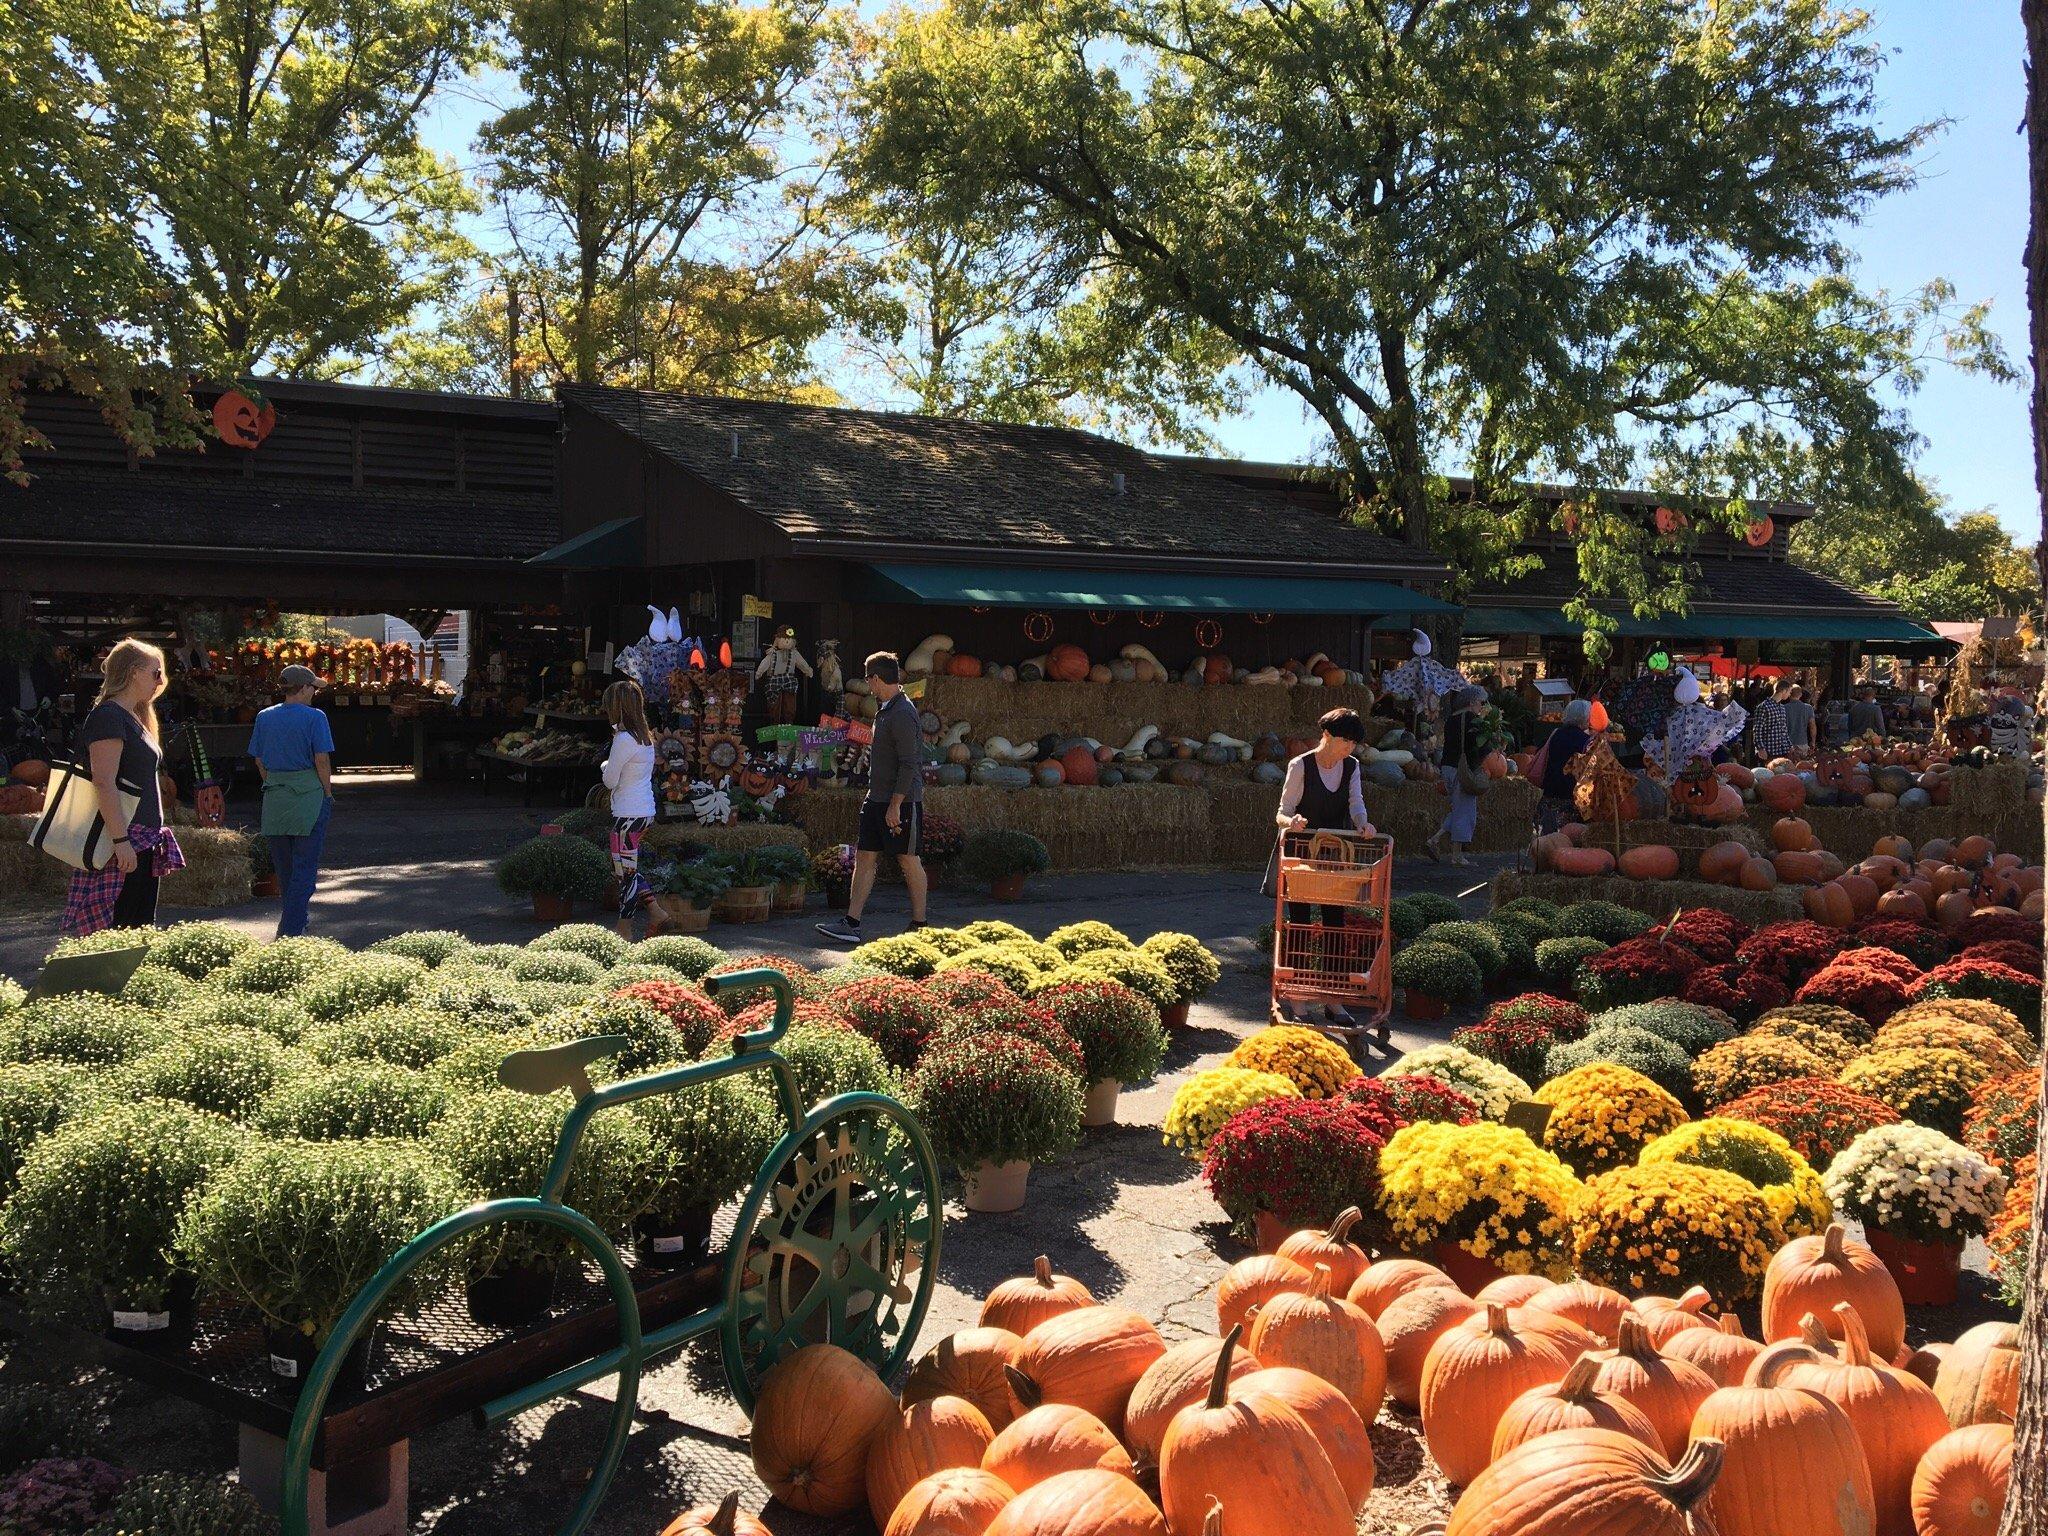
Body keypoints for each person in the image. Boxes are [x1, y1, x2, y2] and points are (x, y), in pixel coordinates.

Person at [62, 637, 184, 936]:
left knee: (138, 932)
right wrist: (120, 841)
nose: (161, 680)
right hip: (124, 841)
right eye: (155, 672)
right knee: (120, 932)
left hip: (141, 840)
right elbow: (103, 782)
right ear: (132, 673)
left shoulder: (132, 716)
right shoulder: (108, 716)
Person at [1273, 708, 1377, 1026]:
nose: (1350, 749)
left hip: (1335, 854)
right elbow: (1282, 812)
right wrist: (1293, 822)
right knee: (1300, 922)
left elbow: (1355, 803)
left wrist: (1363, 823)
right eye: (1346, 742)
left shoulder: (1352, 766)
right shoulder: (1300, 765)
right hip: (1302, 854)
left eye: (1354, 744)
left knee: (1335, 923)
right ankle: (1298, 998)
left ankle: (1333, 1000)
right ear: (1328, 736)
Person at [818, 651, 925, 943]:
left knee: (908, 859)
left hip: (900, 800)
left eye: (868, 679)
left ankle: (920, 924)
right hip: (875, 797)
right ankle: (851, 922)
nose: (868, 685)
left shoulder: (903, 713)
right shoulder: (885, 709)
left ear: (876, 679)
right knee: (865, 856)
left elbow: (909, 764)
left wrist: (895, 805)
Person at [249, 664, 336, 937]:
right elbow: (321, 759)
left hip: (275, 798)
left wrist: (271, 782)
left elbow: (259, 759)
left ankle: (294, 925)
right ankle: (291, 931)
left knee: (285, 872)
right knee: (305, 871)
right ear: (304, 688)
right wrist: (328, 792)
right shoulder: (315, 717)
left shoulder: (264, 717)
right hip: (308, 797)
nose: (315, 692)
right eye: (313, 687)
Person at [600, 680, 658, 938]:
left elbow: (610, 780)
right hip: (644, 811)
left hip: (627, 814)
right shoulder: (645, 737)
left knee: (625, 874)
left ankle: (625, 928)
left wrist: (604, 766)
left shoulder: (624, 739)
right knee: (627, 870)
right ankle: (657, 913)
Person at [1426, 686, 1489, 866]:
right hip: (1463, 769)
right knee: (1465, 811)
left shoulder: (1451, 719)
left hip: (1447, 766)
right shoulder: (1472, 719)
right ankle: (1457, 855)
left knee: (1458, 808)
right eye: (1480, 702)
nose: (1481, 706)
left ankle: (1435, 840)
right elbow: (1478, 746)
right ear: (1471, 702)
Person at [1530, 698, 1594, 834]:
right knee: (1568, 837)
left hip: (1551, 791)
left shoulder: (1556, 734)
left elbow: (1539, 752)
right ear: (1585, 717)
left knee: (1548, 836)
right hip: (1572, 796)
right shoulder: (1586, 741)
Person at [1749, 682, 1791, 762]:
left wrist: (1789, 746)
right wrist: (1760, 748)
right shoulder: (1764, 706)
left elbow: (1783, 729)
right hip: (1769, 750)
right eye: (1789, 691)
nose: (1789, 694)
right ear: (1784, 691)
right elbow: (1757, 729)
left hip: (1782, 750)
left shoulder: (1782, 707)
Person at [1781, 684, 1816, 756]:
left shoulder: (1783, 708)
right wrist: (1813, 741)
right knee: (1802, 765)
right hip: (1802, 742)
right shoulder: (1808, 708)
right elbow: (1812, 726)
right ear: (1800, 695)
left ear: (1789, 694)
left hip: (1786, 744)